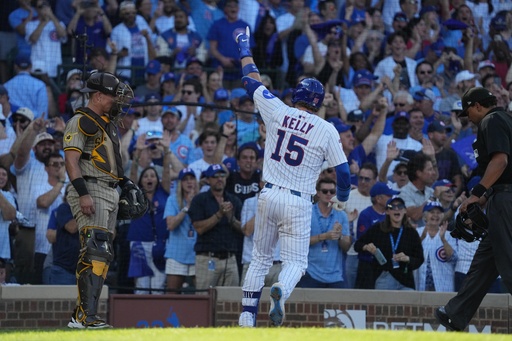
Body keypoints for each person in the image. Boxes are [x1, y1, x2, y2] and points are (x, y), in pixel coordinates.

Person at [235, 27, 351, 327]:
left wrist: (244, 44)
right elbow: (344, 173)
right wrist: (343, 197)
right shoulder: (326, 129)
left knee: (260, 259)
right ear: (318, 101)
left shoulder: (278, 110)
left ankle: (247, 318)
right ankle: (281, 291)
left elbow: (250, 80)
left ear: (297, 95)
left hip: (269, 193)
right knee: (296, 263)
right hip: (299, 200)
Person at [435, 87, 512, 331]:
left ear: (478, 105)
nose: (468, 119)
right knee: (485, 261)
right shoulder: (506, 119)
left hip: (506, 199)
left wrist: (478, 192)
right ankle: (456, 313)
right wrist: (483, 195)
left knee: (509, 262)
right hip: (501, 195)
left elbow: (501, 161)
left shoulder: (492, 120)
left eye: (467, 112)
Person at [63, 71, 133, 329]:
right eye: (114, 95)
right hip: (91, 189)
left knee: (102, 255)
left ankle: (82, 316)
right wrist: (83, 193)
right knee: (94, 250)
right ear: (98, 95)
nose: (118, 99)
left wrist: (123, 185)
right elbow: (71, 161)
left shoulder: (107, 123)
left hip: (108, 190)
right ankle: (85, 318)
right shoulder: (80, 121)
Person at [188, 164, 243, 291]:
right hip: (207, 258)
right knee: (204, 300)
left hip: (230, 259)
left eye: (222, 175)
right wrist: (219, 214)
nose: (219, 179)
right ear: (207, 180)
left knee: (231, 302)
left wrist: (230, 218)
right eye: (215, 176)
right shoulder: (199, 200)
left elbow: (243, 229)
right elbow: (199, 228)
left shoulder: (234, 200)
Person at [354, 197, 424, 291]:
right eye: (392, 207)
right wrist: (366, 247)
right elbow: (357, 245)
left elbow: (419, 259)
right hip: (383, 277)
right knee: (382, 305)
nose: (396, 209)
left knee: (408, 303)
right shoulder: (378, 229)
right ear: (387, 211)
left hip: (405, 280)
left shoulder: (411, 233)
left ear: (404, 211)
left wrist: (407, 258)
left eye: (400, 206)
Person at [298, 178, 351, 288]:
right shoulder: (307, 212)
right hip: (311, 273)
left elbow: (347, 247)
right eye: (325, 191)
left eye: (332, 191)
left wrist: (340, 236)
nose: (328, 194)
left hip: (335, 276)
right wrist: (324, 236)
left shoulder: (341, 215)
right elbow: (299, 243)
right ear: (317, 192)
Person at [164, 168, 198, 293]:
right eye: (185, 180)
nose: (189, 182)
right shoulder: (172, 200)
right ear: (180, 183)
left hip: (197, 254)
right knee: (172, 294)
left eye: (192, 179)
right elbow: (170, 225)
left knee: (201, 295)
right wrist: (187, 207)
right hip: (176, 254)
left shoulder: (202, 199)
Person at [416, 201, 458, 292]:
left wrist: (443, 239)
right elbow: (410, 253)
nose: (435, 215)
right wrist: (421, 238)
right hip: (421, 285)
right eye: (432, 212)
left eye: (438, 213)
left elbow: (453, 258)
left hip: (443, 285)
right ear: (425, 216)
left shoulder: (449, 235)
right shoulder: (416, 232)